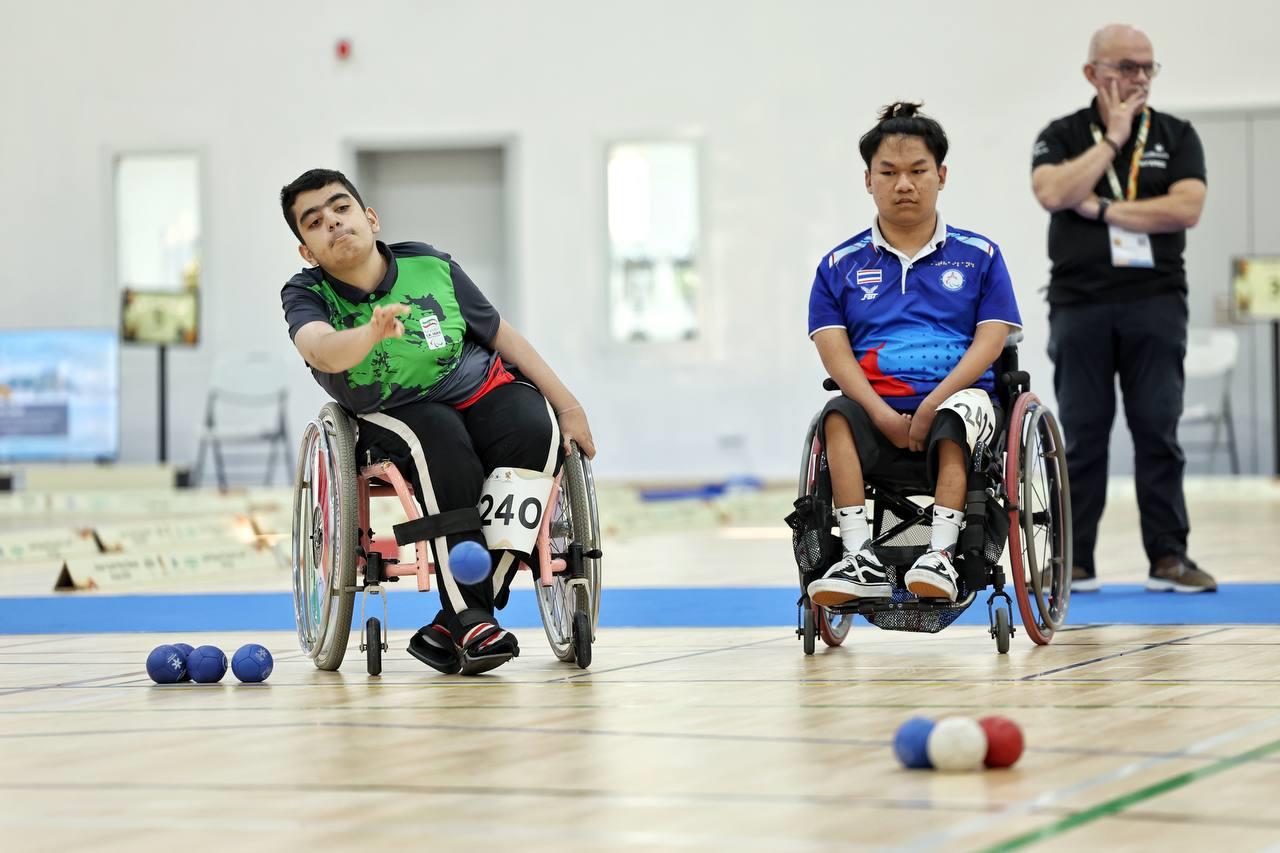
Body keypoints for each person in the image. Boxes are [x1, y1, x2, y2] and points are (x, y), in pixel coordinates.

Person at [279, 168, 597, 674]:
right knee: (442, 442)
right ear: (307, 251)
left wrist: (569, 407)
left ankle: (460, 619)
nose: (333, 223)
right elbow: (321, 350)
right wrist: (370, 334)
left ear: (370, 217)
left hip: (480, 386)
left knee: (537, 430)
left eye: (341, 208)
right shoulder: (305, 294)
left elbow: (501, 334)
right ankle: (472, 616)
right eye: (315, 222)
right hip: (395, 411)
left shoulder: (430, 265)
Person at [806, 103, 1021, 607]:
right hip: (875, 408)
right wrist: (881, 414)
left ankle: (940, 556)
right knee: (835, 415)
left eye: (918, 171)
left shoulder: (981, 256)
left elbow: (991, 341)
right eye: (888, 173)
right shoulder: (838, 265)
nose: (904, 184)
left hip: (959, 403)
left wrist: (930, 405)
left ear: (941, 176)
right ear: (868, 180)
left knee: (954, 414)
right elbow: (835, 355)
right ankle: (858, 557)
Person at [1031, 24, 1214, 593]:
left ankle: (1169, 557)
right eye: (1126, 67)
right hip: (1079, 304)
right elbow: (1053, 192)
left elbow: (1186, 207)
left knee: (1158, 427)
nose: (1139, 78)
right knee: (1083, 434)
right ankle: (1073, 560)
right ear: (1093, 73)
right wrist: (1111, 140)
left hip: (1154, 301)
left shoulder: (1177, 134)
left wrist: (1103, 209)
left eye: (1147, 67)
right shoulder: (1062, 134)